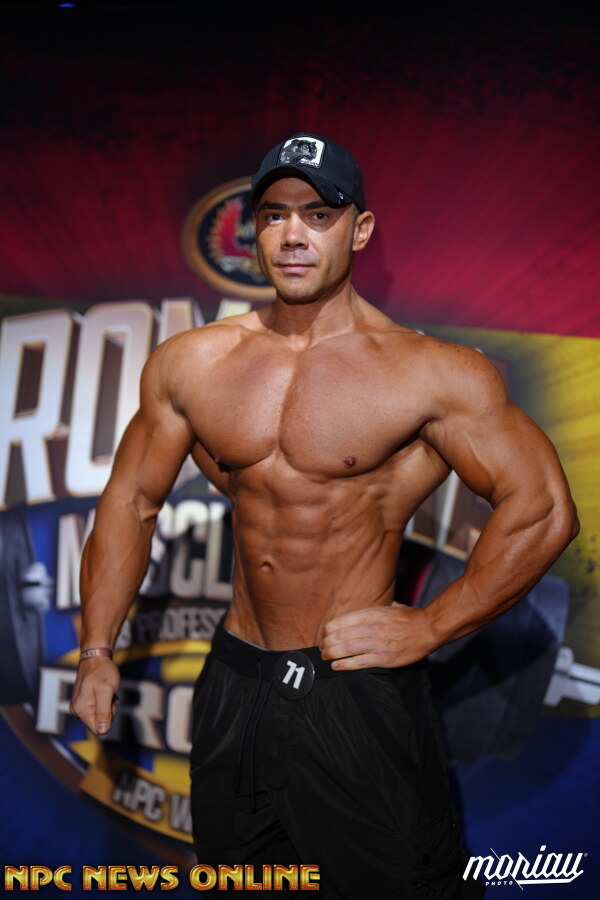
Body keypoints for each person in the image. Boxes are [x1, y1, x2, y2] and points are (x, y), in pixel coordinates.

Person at [71, 133, 579, 898]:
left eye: (318, 214)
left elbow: (542, 511)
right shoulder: (194, 363)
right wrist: (95, 648)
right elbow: (132, 500)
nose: (293, 235)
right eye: (274, 215)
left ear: (359, 230)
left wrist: (433, 625)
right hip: (236, 681)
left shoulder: (430, 373)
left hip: (353, 686)